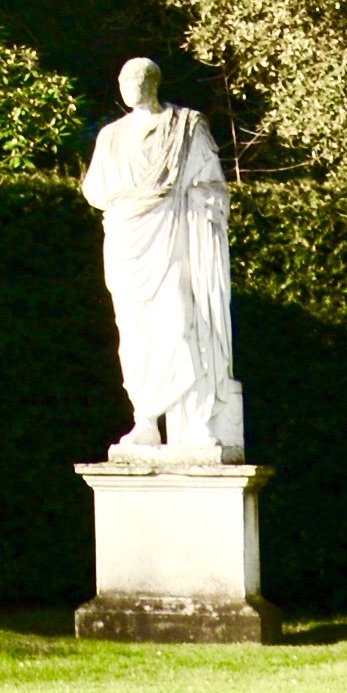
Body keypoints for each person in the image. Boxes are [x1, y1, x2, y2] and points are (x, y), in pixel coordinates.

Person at [80, 56, 241, 460]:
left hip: (173, 238)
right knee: (135, 335)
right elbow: (95, 190)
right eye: (123, 79)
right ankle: (146, 421)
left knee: (180, 319)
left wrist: (198, 202)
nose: (128, 84)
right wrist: (135, 201)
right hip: (128, 240)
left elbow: (213, 185)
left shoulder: (187, 127)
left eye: (136, 77)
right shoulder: (111, 137)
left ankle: (197, 425)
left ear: (152, 82)